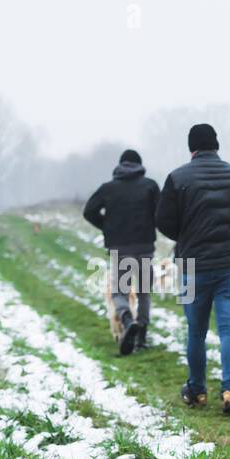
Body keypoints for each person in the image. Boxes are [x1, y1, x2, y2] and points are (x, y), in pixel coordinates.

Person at [155, 123, 230, 415]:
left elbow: (163, 220)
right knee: (229, 330)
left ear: (192, 148)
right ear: (217, 145)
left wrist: (186, 235)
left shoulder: (178, 178)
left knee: (196, 332)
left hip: (192, 265)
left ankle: (197, 390)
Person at [83, 149, 160, 354]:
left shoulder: (108, 188)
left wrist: (107, 227)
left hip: (120, 249)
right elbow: (161, 213)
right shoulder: (150, 186)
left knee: (119, 292)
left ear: (120, 165)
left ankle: (126, 319)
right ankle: (141, 337)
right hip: (144, 247)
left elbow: (88, 211)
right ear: (140, 165)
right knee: (144, 293)